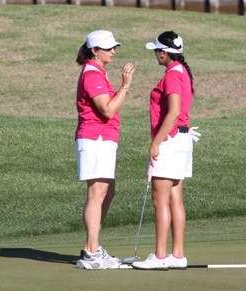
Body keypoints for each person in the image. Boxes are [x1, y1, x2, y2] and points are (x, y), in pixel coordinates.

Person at [132, 30, 198, 270]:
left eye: (158, 50)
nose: (156, 54)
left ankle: (160, 257)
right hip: (182, 140)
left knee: (160, 200)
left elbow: (173, 112)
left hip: (170, 140)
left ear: (167, 52)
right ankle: (178, 255)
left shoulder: (172, 74)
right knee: (175, 199)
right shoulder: (181, 72)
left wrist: (156, 142)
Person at [74, 30, 135, 270]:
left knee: (108, 192)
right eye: (108, 47)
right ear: (94, 50)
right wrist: (125, 86)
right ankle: (90, 252)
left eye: (113, 47)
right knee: (97, 194)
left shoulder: (99, 73)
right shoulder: (92, 74)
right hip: (95, 138)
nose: (113, 51)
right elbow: (107, 110)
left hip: (103, 139)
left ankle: (94, 247)